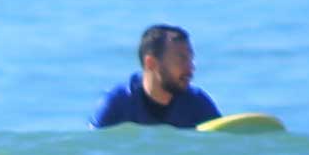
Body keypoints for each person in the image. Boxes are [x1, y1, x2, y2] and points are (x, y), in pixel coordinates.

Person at [90, 24, 221, 128]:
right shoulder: (117, 104)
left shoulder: (198, 103)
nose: (191, 67)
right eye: (182, 59)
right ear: (151, 63)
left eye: (190, 59)